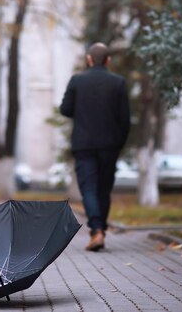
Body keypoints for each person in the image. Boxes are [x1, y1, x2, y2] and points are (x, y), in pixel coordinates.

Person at [59, 42, 130, 251]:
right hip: (110, 146)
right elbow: (125, 119)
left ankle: (96, 230)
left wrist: (82, 110)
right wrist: (120, 144)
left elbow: (65, 109)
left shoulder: (77, 80)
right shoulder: (118, 83)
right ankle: (100, 231)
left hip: (84, 145)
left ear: (89, 60)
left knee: (89, 189)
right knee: (103, 190)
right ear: (108, 60)